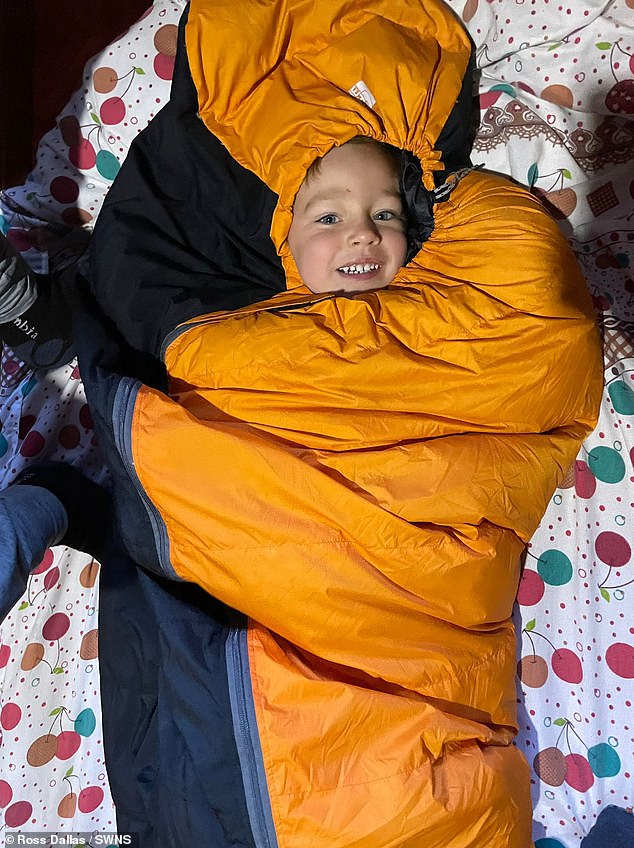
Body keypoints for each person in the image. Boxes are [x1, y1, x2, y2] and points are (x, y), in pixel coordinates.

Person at [0, 0, 603, 845]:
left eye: (386, 214)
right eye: (329, 216)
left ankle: (54, 323)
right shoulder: (246, 334)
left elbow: (540, 343)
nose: (361, 231)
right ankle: (54, 319)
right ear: (280, 238)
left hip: (233, 740)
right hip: (349, 763)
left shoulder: (456, 302)